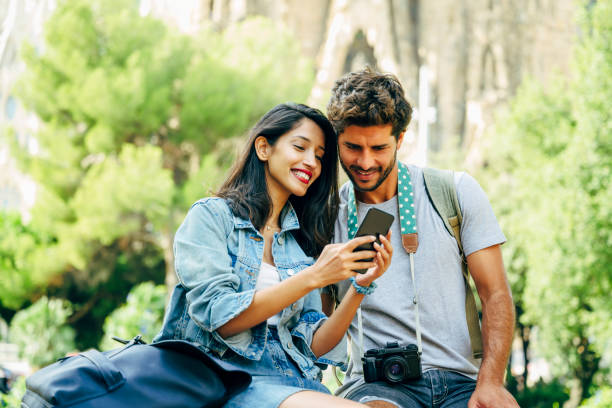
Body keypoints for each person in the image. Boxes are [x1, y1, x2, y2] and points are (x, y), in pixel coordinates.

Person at [154, 103, 393, 408]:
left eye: (319, 157)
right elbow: (221, 318)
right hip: (228, 378)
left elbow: (315, 345)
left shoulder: (297, 242)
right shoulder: (211, 217)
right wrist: (314, 276)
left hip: (294, 379)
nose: (312, 163)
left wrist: (360, 286)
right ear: (264, 148)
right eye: (300, 147)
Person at [322, 68, 519, 408]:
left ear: (400, 140)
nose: (365, 162)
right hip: (375, 386)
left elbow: (495, 293)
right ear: (336, 139)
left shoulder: (454, 192)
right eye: (353, 147)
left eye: (379, 148)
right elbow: (317, 326)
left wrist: (490, 383)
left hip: (463, 382)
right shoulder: (324, 218)